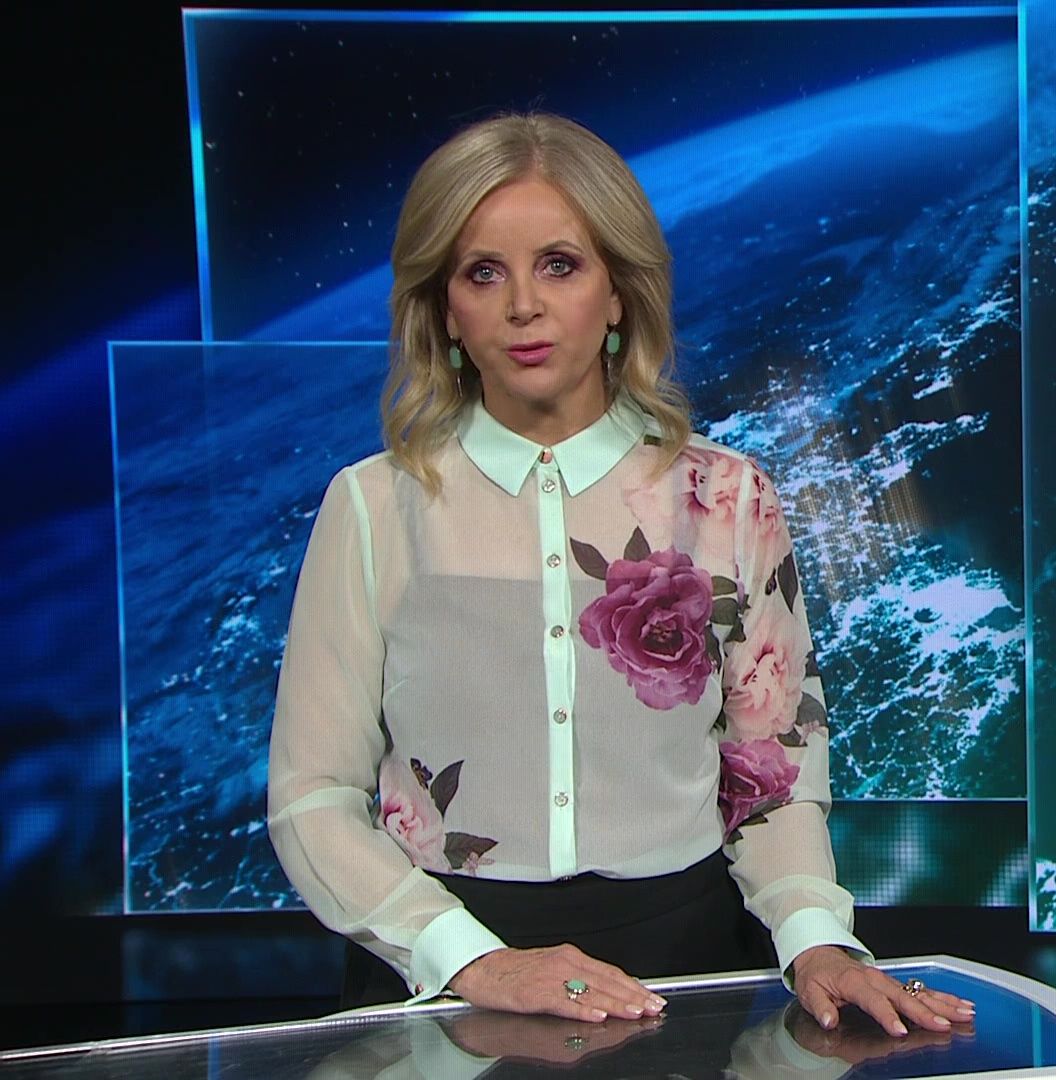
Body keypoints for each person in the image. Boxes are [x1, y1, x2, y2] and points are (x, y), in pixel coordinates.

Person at [266, 111, 971, 1039]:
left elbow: (774, 777)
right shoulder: (372, 506)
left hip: (684, 967)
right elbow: (313, 796)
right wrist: (470, 960)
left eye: (559, 265)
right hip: (439, 976)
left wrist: (816, 942)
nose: (524, 305)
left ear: (616, 295)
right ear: (443, 309)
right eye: (484, 273)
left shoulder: (728, 497)